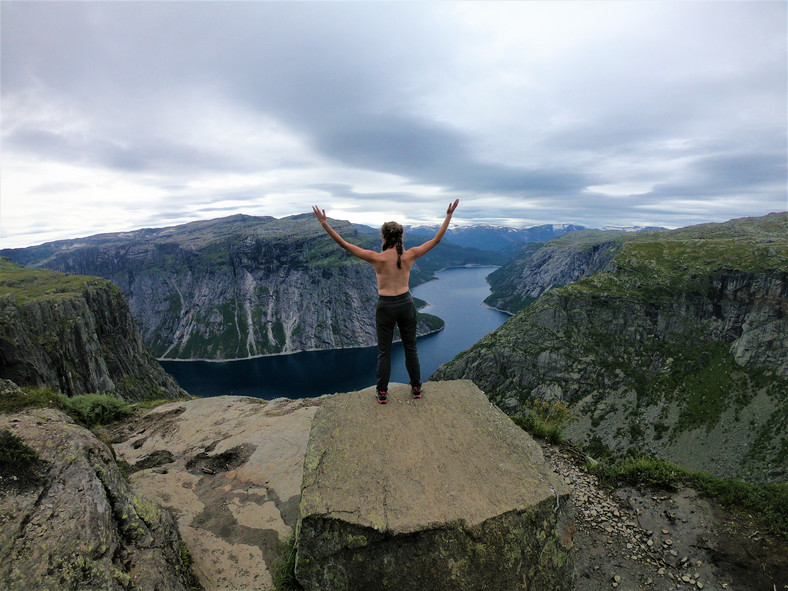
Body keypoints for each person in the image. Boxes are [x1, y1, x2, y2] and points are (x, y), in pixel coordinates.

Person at [312, 199, 460, 404]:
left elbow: (345, 245)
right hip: (406, 304)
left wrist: (324, 224)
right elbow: (436, 240)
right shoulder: (409, 256)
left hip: (385, 306)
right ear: (401, 237)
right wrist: (448, 216)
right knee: (411, 348)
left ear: (383, 236)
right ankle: (416, 388)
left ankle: (382, 392)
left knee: (384, 352)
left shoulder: (377, 258)